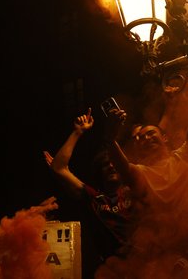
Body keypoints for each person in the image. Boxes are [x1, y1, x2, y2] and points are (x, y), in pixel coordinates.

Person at [44, 108, 145, 268]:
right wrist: (77, 132)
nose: (111, 166)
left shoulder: (137, 186)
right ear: (99, 172)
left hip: (150, 264)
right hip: (115, 271)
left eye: (113, 162)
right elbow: (59, 168)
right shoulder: (95, 198)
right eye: (105, 165)